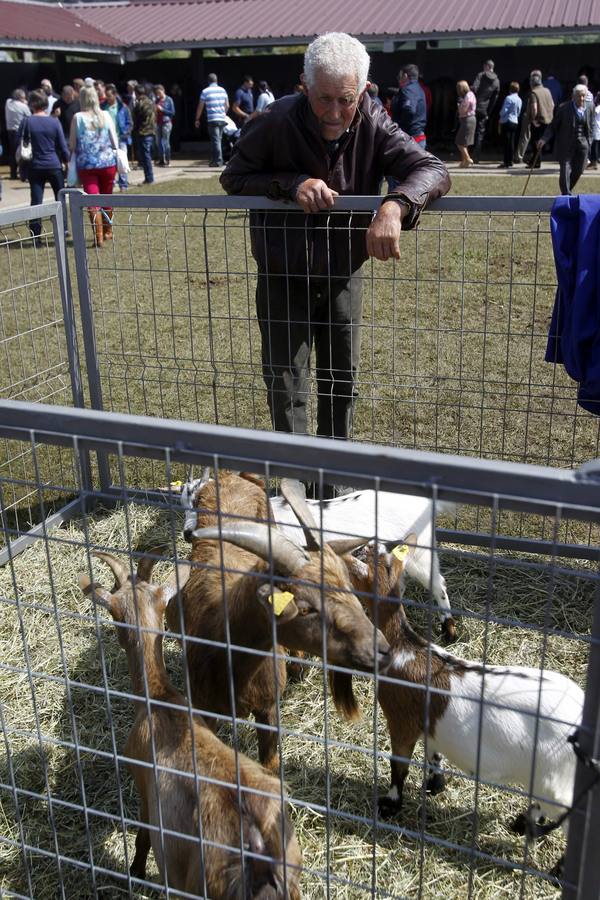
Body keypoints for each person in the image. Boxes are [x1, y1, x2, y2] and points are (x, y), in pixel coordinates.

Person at [221, 32, 450, 466]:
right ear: (304, 86)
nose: (334, 112)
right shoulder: (274, 120)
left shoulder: (374, 119)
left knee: (341, 377)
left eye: (345, 99)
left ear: (363, 90)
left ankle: (333, 483)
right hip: (282, 271)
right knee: (286, 382)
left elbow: (430, 168)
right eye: (322, 98)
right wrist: (291, 185)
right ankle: (296, 484)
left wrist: (396, 205)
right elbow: (233, 177)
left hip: (344, 270)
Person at [16, 90, 68, 242]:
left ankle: (36, 234)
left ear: (32, 104)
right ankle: (63, 228)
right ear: (45, 104)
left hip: (35, 166)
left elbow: (18, 142)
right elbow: (62, 145)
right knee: (60, 198)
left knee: (36, 200)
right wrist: (67, 161)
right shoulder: (54, 122)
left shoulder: (27, 121)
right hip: (53, 164)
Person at [70, 85, 118, 246]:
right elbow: (114, 140)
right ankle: (108, 231)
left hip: (87, 165)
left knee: (92, 200)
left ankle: (98, 236)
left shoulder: (78, 117)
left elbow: (72, 144)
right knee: (106, 196)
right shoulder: (105, 115)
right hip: (108, 163)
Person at [538, 84, 593, 195]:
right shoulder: (563, 108)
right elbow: (553, 126)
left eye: (583, 96)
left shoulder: (590, 106)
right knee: (565, 169)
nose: (581, 99)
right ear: (573, 97)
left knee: (579, 170)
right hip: (566, 144)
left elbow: (590, 126)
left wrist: (589, 142)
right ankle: (566, 194)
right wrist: (544, 139)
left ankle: (567, 190)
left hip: (583, 144)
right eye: (579, 96)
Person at [195, 73, 229, 167]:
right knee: (219, 140)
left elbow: (200, 106)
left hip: (212, 119)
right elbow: (227, 105)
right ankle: (218, 159)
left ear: (208, 81)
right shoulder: (223, 90)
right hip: (222, 118)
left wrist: (197, 119)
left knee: (215, 140)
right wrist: (223, 114)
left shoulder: (205, 91)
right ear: (216, 80)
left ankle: (217, 161)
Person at [102, 84, 132, 190]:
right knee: (109, 163)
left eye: (109, 95)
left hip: (121, 138)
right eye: (106, 95)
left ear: (115, 95)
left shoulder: (123, 107)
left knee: (121, 161)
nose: (107, 97)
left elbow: (129, 122)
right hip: (107, 139)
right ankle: (110, 182)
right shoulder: (102, 107)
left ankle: (123, 185)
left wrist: (126, 133)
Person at [391, 64, 427, 148]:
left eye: (400, 76)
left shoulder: (408, 90)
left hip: (410, 138)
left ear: (405, 75)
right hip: (417, 136)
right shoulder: (419, 89)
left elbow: (409, 110)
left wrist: (399, 127)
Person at [470, 60, 499, 163]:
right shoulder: (497, 81)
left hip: (473, 107)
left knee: (469, 130)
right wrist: (488, 112)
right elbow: (494, 100)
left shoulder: (481, 75)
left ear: (486, 66)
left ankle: (467, 155)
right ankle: (476, 157)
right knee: (480, 133)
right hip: (484, 110)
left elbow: (474, 88)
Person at [524, 70, 554, 167]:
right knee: (541, 141)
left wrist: (533, 119)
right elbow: (553, 104)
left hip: (538, 121)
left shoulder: (533, 93)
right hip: (548, 120)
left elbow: (534, 108)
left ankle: (536, 162)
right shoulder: (547, 90)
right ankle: (534, 161)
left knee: (535, 142)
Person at [132, 84, 156, 184]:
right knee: (147, 155)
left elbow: (137, 118)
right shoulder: (151, 102)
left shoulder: (140, 103)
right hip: (151, 130)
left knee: (145, 156)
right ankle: (148, 177)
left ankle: (149, 178)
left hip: (143, 131)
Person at [4, 88, 30, 179]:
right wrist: (25, 104)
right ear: (20, 98)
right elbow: (29, 116)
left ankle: (13, 173)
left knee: (12, 152)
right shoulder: (23, 106)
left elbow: (10, 99)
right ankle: (23, 173)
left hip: (10, 131)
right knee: (23, 153)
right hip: (20, 131)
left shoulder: (8, 103)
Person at [498, 81, 522, 169]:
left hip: (507, 121)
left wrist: (500, 114)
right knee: (512, 142)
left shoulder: (508, 98)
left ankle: (506, 161)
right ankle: (510, 160)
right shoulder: (519, 99)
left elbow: (504, 110)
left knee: (506, 143)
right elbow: (519, 111)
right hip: (515, 121)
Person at [455, 80, 476, 167]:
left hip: (467, 119)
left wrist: (458, 106)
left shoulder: (467, 97)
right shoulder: (472, 94)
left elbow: (463, 109)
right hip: (472, 119)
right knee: (464, 142)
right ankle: (464, 162)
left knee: (459, 142)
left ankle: (467, 158)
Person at [154, 84, 175, 166]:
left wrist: (162, 109)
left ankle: (168, 159)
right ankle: (161, 159)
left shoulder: (169, 100)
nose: (158, 94)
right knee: (158, 142)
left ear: (163, 91)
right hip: (158, 123)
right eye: (157, 93)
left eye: (159, 92)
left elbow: (172, 112)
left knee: (165, 141)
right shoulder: (157, 100)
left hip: (166, 123)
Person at [590, 91, 600, 169]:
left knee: (594, 146)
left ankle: (594, 163)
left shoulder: (597, 108)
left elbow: (593, 115)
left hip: (596, 129)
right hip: (598, 129)